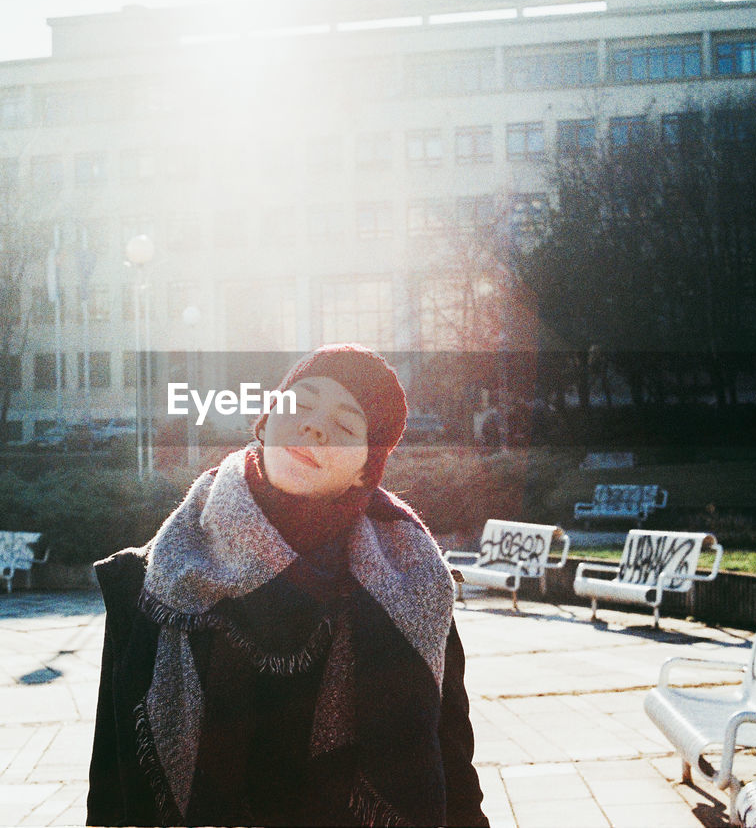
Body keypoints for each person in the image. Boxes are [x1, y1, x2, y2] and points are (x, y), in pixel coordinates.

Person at [87, 343, 488, 827]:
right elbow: (112, 786)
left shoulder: (411, 588)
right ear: (265, 421)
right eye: (299, 404)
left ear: (366, 466)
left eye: (343, 426)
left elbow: (453, 772)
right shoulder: (150, 583)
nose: (314, 426)